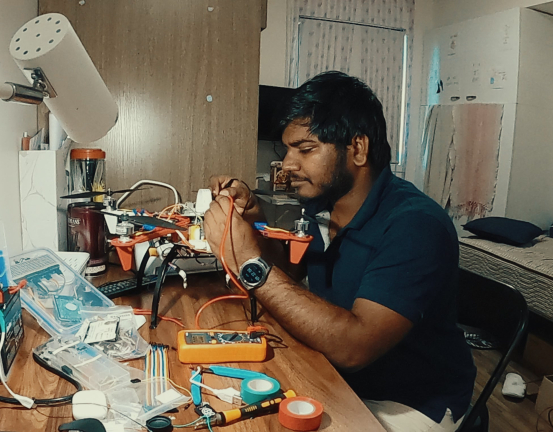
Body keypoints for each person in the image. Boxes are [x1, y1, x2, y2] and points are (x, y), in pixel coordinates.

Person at [203, 71, 476, 432]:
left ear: (358, 149)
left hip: (409, 402)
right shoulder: (324, 206)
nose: (287, 164)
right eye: (287, 149)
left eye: (305, 149)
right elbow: (293, 276)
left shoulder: (415, 225)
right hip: (340, 374)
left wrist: (249, 264)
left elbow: (354, 347)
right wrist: (254, 216)